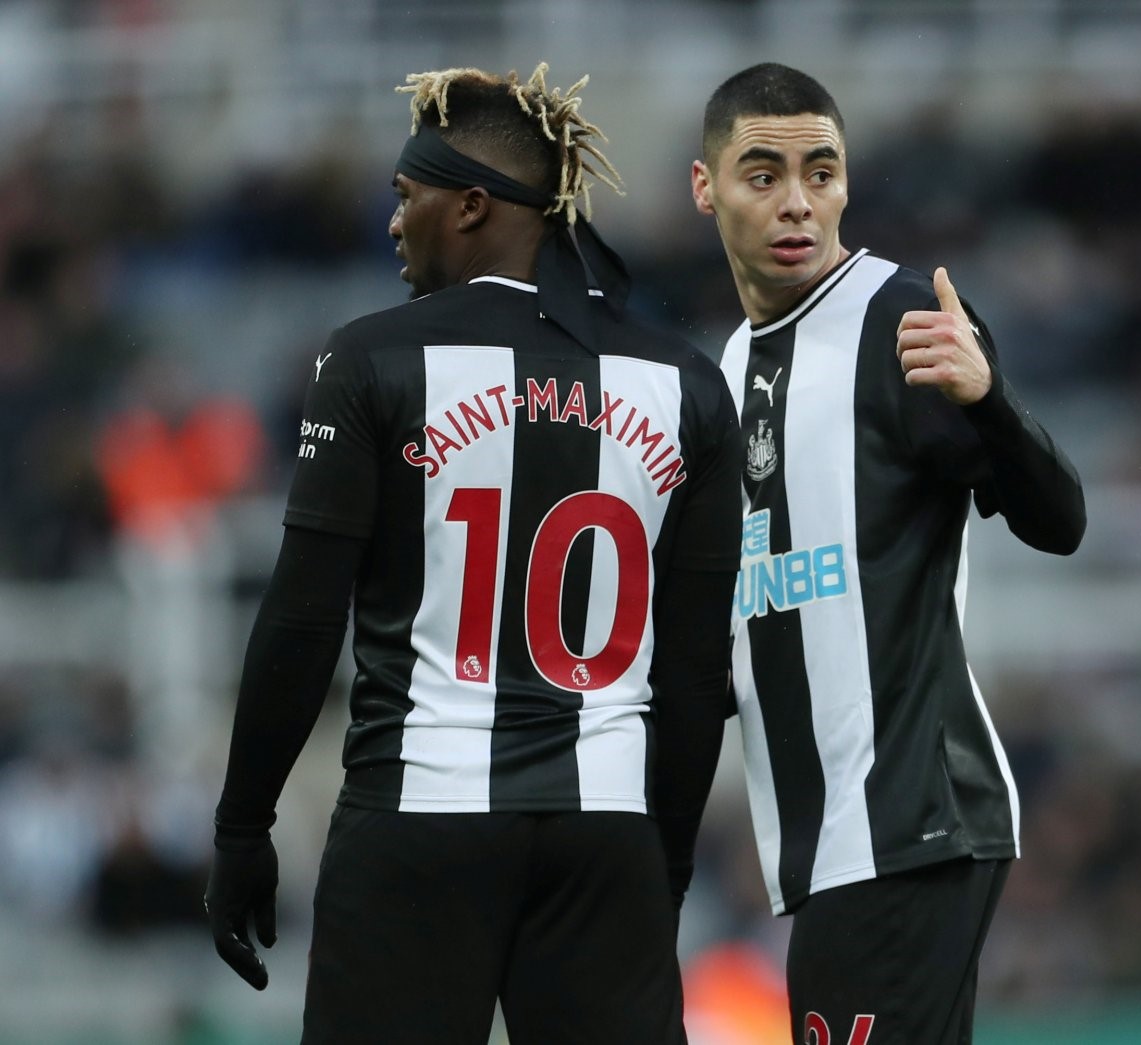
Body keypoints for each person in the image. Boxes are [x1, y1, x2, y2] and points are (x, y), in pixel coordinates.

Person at [203, 64, 741, 1044]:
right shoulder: (688, 383)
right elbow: (698, 668)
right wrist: (659, 862)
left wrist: (243, 824)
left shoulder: (369, 359)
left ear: (472, 205)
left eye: (407, 195)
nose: (393, 223)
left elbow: (303, 617)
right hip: (603, 825)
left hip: (417, 816)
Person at [690, 63, 1086, 1044]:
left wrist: (989, 403)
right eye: (763, 174)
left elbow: (1058, 519)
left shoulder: (899, 317)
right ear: (706, 188)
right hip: (828, 846)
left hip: (910, 820)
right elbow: (758, 612)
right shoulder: (731, 367)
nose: (796, 201)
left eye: (820, 173)